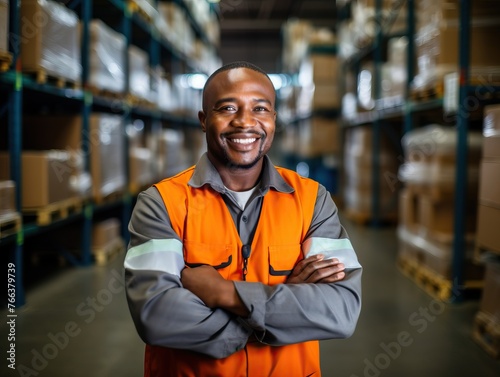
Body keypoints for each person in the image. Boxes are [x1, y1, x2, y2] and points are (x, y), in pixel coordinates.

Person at [124, 61, 362, 377]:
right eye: (227, 109)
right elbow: (156, 315)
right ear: (203, 120)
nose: (245, 122)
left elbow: (340, 310)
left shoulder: (312, 200)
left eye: (260, 109)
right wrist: (279, 306)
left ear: (274, 119)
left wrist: (224, 293)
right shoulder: (161, 203)